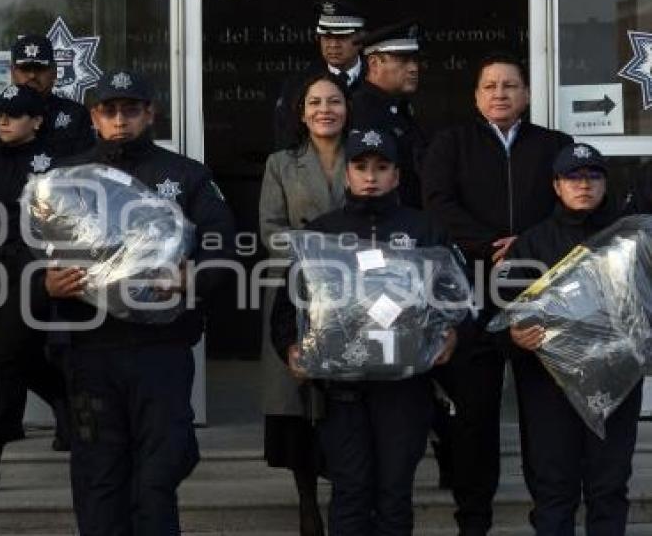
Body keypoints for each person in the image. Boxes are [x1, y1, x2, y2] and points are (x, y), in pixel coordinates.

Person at [37, 69, 236, 534]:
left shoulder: (185, 175)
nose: (120, 119)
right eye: (109, 110)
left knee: (157, 475)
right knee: (98, 478)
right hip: (90, 353)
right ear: (94, 116)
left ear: (150, 113)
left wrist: (192, 278)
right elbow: (25, 254)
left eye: (131, 109)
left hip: (160, 351)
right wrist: (45, 286)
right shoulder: (66, 180)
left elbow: (225, 249)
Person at [270, 128, 458, 535]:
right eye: (360, 166)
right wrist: (291, 348)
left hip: (404, 388)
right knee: (350, 492)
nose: (370, 176)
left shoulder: (424, 229)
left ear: (397, 176)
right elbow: (289, 306)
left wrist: (452, 334)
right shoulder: (320, 233)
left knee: (394, 494)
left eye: (381, 167)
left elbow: (457, 298)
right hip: (343, 389)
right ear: (347, 174)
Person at [421, 52, 573, 536]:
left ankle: (550, 517)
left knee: (544, 413)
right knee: (475, 416)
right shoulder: (451, 144)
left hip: (539, 290)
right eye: (490, 86)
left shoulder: (555, 144)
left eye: (510, 85)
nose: (500, 94)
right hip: (475, 292)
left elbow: (569, 206)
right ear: (476, 96)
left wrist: (525, 244)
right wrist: (491, 244)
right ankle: (474, 521)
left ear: (526, 94)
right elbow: (438, 205)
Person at [500, 142, 641, 535]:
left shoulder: (628, 240)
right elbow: (499, 315)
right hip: (549, 386)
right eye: (573, 177)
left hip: (615, 382)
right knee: (553, 490)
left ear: (605, 183)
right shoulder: (531, 243)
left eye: (593, 176)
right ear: (556, 185)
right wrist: (514, 335)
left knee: (609, 487)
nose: (584, 185)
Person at [0, 83, 71, 493]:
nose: (4, 120)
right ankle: (68, 399)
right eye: (0, 113)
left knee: (6, 360)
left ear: (37, 121)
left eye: (16, 114)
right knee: (20, 355)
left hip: (32, 271)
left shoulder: (53, 163)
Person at [259, 71, 350, 536]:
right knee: (300, 404)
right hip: (297, 290)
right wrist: (322, 254)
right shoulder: (281, 163)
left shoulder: (367, 158)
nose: (324, 110)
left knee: (346, 400)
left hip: (356, 292)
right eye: (314, 102)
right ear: (301, 112)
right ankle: (307, 503)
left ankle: (346, 498)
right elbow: (271, 230)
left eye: (333, 101)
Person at [0, 34, 94, 157]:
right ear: (12, 72)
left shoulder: (75, 115)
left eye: (39, 68)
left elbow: (84, 168)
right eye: (25, 69)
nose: (32, 75)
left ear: (54, 72)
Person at [351, 19, 426, 209]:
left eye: (415, 59)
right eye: (403, 60)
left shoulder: (400, 107)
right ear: (374, 64)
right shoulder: (360, 109)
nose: (413, 68)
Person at [273, 0, 365, 150]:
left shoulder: (379, 78)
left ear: (360, 39)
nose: (333, 45)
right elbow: (287, 141)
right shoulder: (298, 84)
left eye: (342, 37)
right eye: (327, 37)